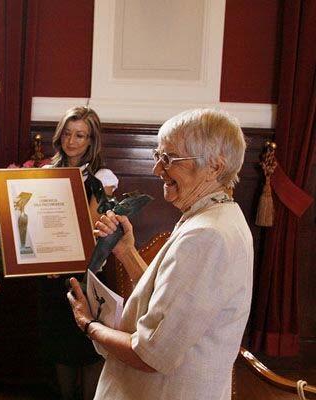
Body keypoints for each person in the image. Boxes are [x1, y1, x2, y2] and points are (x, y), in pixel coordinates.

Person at [68, 108, 253, 400]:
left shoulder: (207, 234)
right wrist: (127, 252)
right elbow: (169, 304)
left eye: (169, 159)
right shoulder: (216, 216)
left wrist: (89, 324)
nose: (157, 169)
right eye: (158, 156)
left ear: (215, 167)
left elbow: (150, 354)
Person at [38, 106, 118, 400]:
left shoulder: (102, 177)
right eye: (68, 133)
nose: (72, 141)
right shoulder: (46, 173)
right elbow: (39, 226)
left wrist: (63, 261)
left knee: (87, 347)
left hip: (87, 273)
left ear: (91, 141)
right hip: (50, 273)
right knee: (59, 347)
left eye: (80, 135)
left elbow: (90, 232)